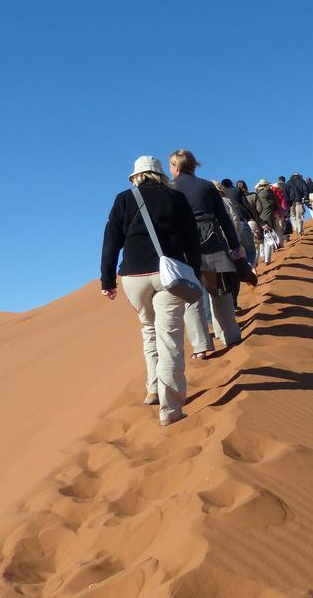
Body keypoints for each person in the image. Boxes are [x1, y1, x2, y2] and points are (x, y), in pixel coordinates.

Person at [100, 155, 201, 427]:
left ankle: (153, 388)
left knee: (148, 329)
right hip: (169, 274)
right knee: (169, 337)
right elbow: (192, 239)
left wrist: (107, 281)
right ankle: (171, 408)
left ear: (136, 176)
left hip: (133, 277)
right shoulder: (175, 198)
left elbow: (111, 242)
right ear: (160, 174)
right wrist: (195, 272)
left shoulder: (123, 199)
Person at [169, 149, 244, 351]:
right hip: (213, 244)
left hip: (184, 250)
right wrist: (235, 246)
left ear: (176, 166)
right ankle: (231, 336)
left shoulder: (169, 188)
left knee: (191, 298)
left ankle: (201, 346)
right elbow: (224, 218)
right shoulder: (206, 186)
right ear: (193, 165)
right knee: (220, 292)